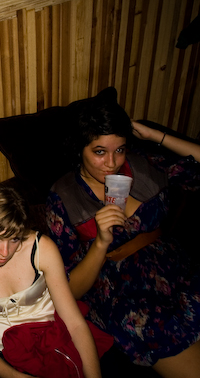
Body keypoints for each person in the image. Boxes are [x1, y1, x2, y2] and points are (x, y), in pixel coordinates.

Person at [45, 98, 200, 378]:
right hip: (127, 295)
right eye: (99, 151)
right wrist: (101, 243)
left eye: (119, 149)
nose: (112, 163)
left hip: (175, 268)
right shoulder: (64, 196)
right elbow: (69, 290)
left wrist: (155, 135)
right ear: (79, 149)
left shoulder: (142, 163)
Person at [0, 184, 106, 378]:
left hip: (58, 337)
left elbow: (74, 322)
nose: (5, 252)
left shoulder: (40, 248)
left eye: (14, 239)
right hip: (9, 358)